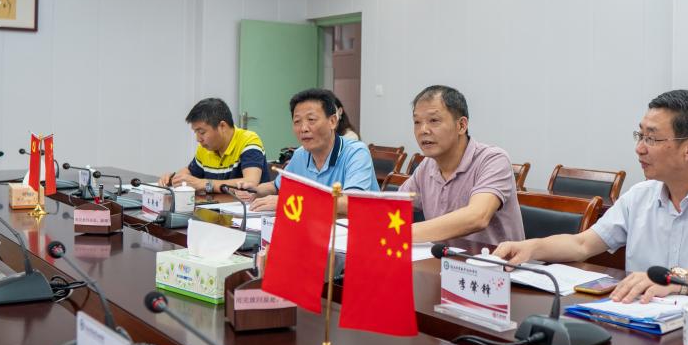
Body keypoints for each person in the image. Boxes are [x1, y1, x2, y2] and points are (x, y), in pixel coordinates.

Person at [493, 89, 688, 303]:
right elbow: (582, 244)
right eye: (640, 135)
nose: (639, 148)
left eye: (651, 138)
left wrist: (674, 280)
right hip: (641, 321)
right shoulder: (640, 196)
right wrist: (531, 248)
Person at [399, 85, 524, 245]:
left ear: (461, 125)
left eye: (434, 120)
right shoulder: (426, 167)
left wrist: (402, 232)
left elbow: (477, 217)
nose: (423, 130)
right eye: (417, 122)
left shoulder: (493, 159)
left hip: (495, 260)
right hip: (442, 260)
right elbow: (392, 207)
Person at [245, 88, 378, 211]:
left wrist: (290, 201)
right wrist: (255, 190)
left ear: (332, 121)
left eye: (311, 119)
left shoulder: (356, 152)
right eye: (297, 121)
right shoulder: (300, 154)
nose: (304, 128)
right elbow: (277, 186)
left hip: (358, 227)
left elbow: (351, 202)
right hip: (318, 225)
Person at [159, 98, 271, 195]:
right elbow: (189, 172)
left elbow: (250, 182)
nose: (198, 139)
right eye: (196, 132)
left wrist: (204, 184)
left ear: (222, 126)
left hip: (248, 209)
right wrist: (175, 178)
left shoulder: (248, 140)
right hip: (217, 207)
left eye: (202, 132)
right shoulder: (205, 148)